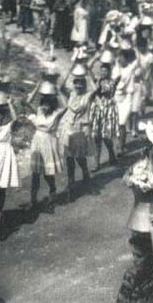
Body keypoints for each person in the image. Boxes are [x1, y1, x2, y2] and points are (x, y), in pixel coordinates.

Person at [24, 81, 66, 208]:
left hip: (48, 142)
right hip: (37, 142)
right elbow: (28, 102)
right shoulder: (39, 111)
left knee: (48, 173)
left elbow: (66, 106)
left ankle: (52, 192)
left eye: (48, 105)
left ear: (52, 105)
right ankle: (33, 199)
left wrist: (57, 91)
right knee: (35, 173)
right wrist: (37, 87)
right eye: (43, 105)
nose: (45, 107)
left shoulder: (56, 114)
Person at [59, 62, 96, 201]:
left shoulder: (88, 96)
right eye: (76, 84)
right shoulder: (71, 94)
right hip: (68, 128)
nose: (78, 86)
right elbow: (61, 87)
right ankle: (71, 184)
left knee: (80, 157)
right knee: (69, 158)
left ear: (84, 85)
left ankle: (86, 176)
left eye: (81, 84)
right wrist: (70, 71)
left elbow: (97, 88)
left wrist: (88, 71)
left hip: (81, 129)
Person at [116, 214, 153, 303]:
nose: (135, 260)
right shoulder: (131, 276)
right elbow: (121, 300)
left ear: (149, 257)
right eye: (134, 255)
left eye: (139, 256)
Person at [89, 55, 119, 171]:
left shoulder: (112, 83)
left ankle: (111, 154)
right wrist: (95, 57)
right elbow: (88, 69)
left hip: (107, 111)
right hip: (97, 110)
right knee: (96, 137)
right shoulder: (97, 80)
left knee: (105, 136)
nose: (103, 73)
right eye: (101, 71)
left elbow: (101, 91)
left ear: (109, 72)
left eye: (105, 71)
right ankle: (97, 163)